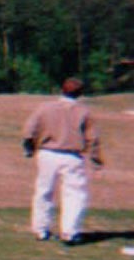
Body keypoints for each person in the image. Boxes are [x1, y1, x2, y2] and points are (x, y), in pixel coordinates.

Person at [22, 77, 103, 245]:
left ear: (61, 90)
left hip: (47, 153)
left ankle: (41, 229)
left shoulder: (45, 107)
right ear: (80, 93)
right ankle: (70, 232)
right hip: (72, 156)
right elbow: (92, 138)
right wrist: (95, 158)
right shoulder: (83, 111)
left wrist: (29, 146)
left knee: (44, 192)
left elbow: (30, 128)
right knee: (74, 194)